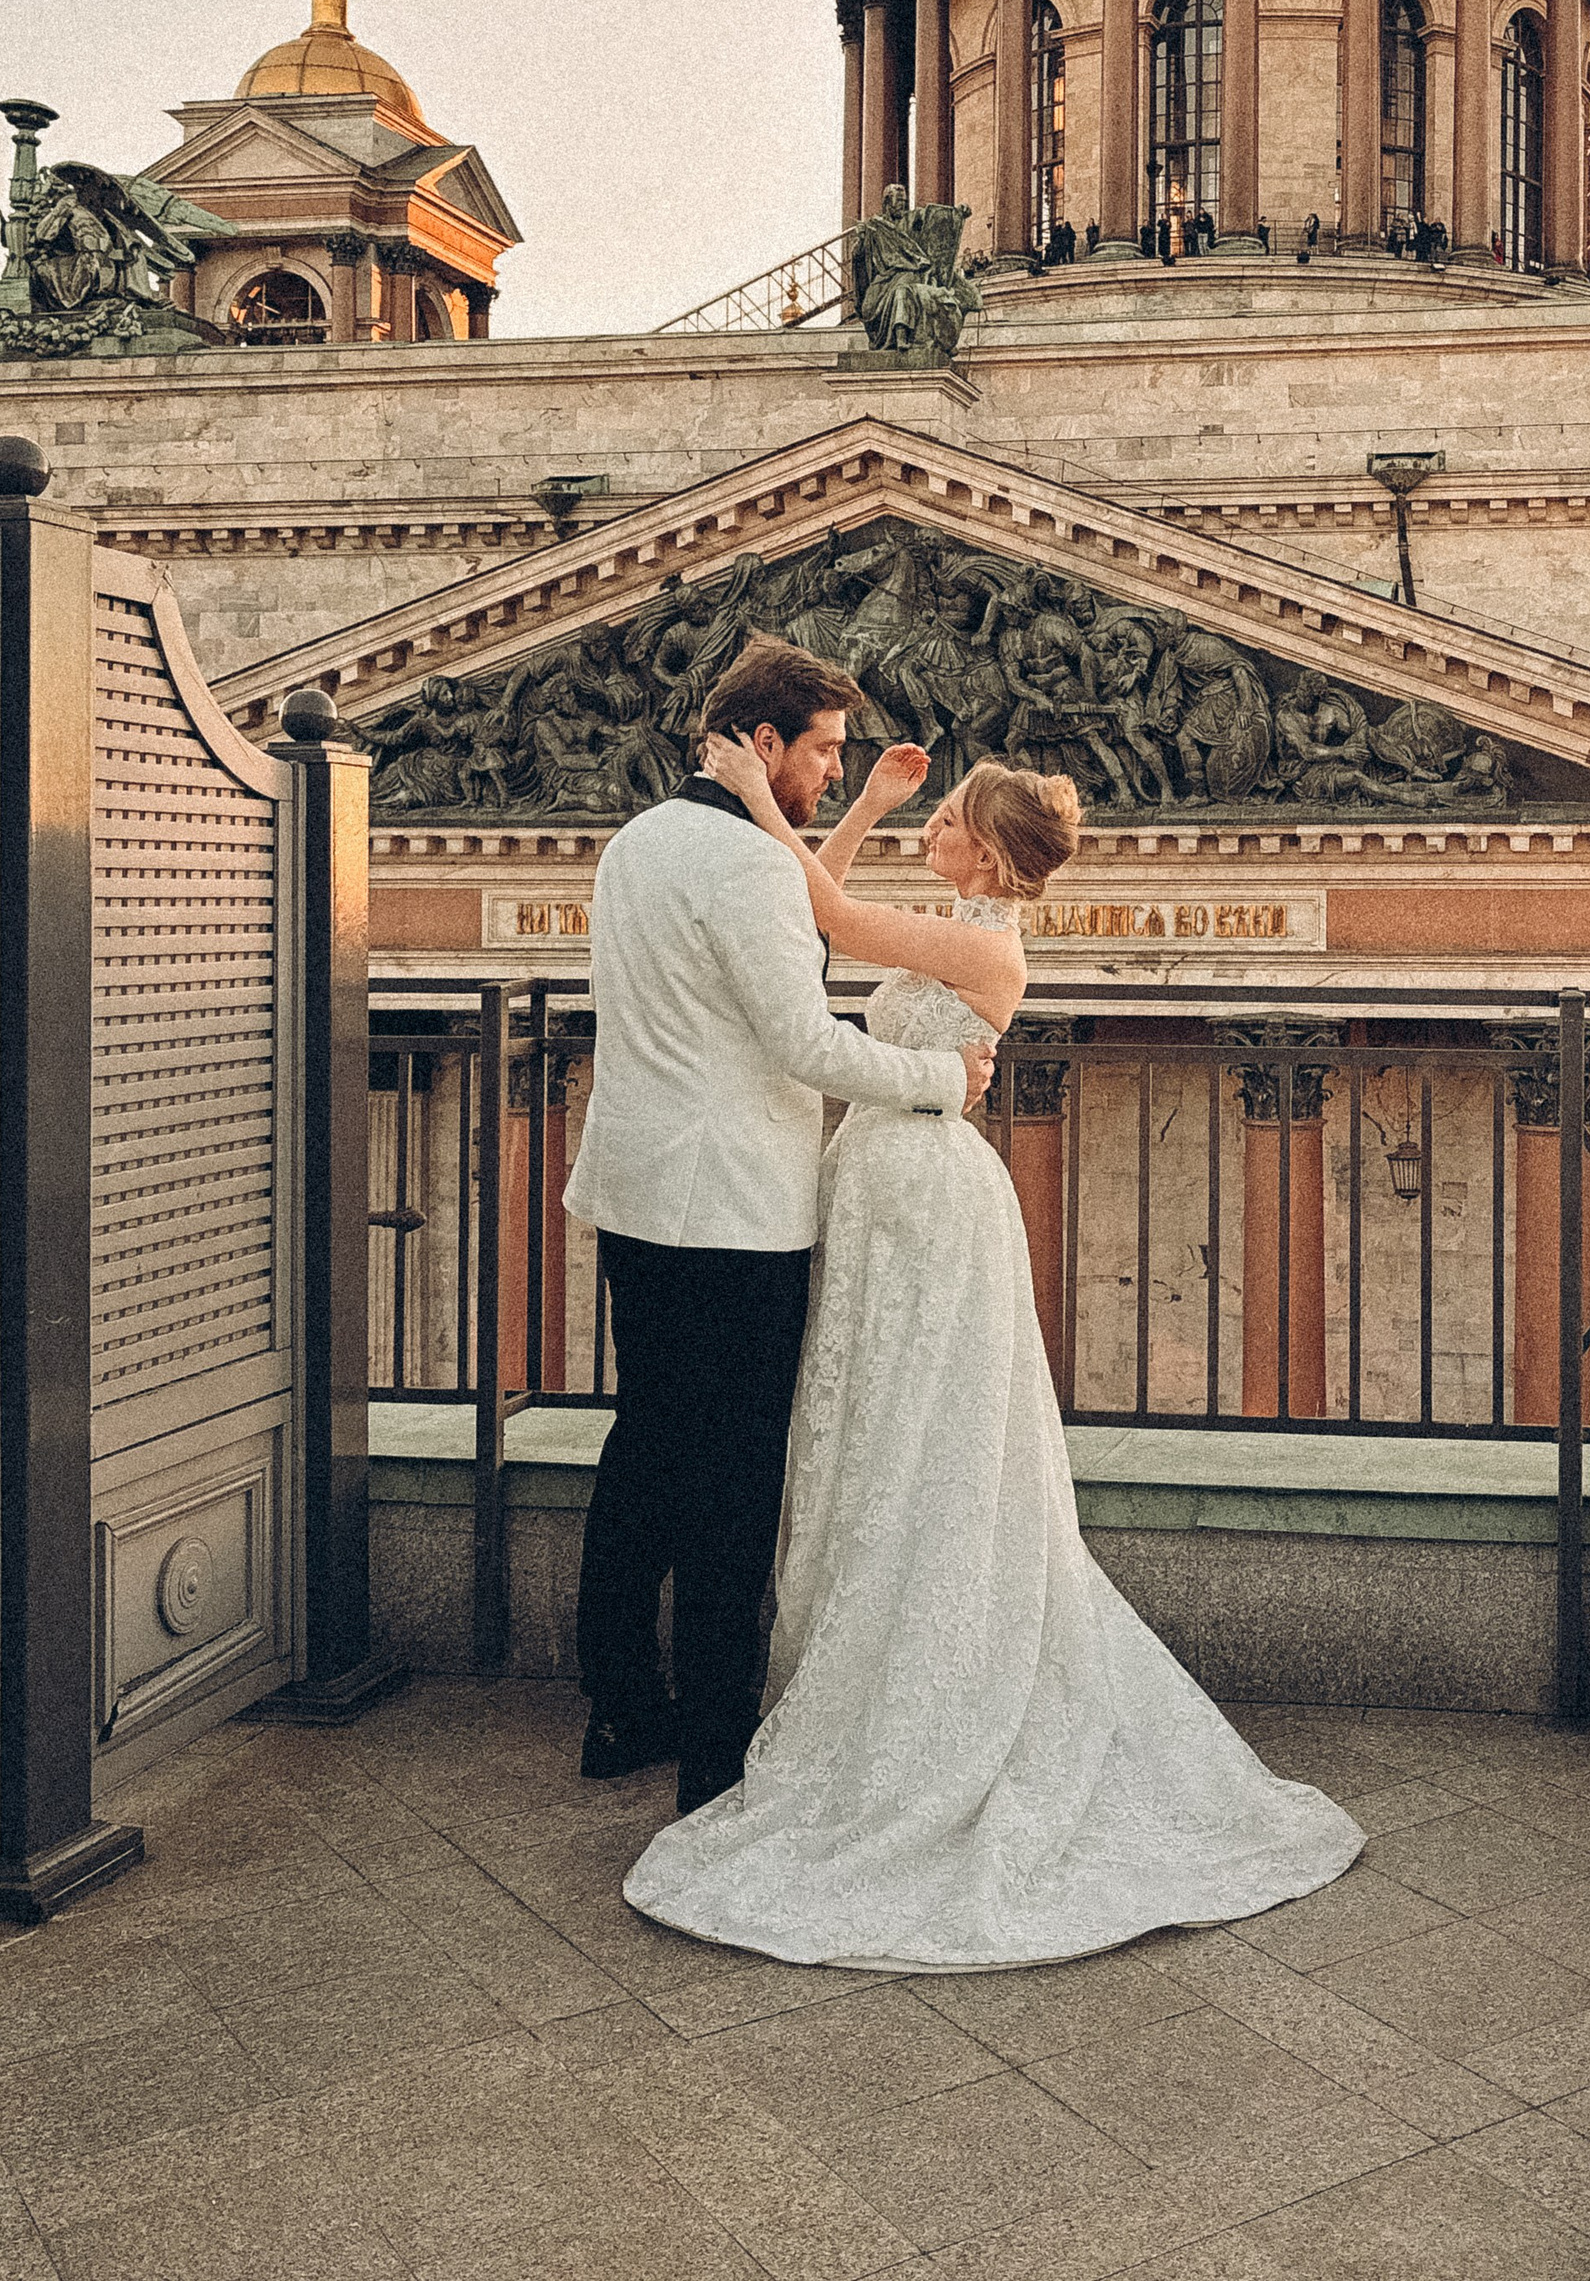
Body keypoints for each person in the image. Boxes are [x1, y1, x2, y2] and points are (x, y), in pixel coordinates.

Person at [622, 739, 1363, 1969]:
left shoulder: (987, 945)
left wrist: (760, 791)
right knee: (874, 1426)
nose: (933, 829)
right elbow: (824, 921)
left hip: (923, 1194)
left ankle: (923, 1690)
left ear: (992, 847)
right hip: (885, 1186)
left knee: (924, 1430)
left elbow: (823, 911)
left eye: (948, 817)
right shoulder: (955, 925)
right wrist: (861, 805)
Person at [563, 639, 995, 1813]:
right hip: (735, 1216)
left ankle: (618, 1703)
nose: (828, 770)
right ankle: (714, 1749)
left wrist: (856, 813)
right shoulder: (749, 868)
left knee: (645, 1446)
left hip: (634, 1193)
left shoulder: (637, 842)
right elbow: (803, 1045)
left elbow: (777, 931)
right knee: (732, 1486)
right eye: (822, 752)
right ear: (764, 744)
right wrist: (943, 1078)